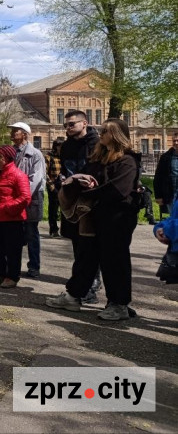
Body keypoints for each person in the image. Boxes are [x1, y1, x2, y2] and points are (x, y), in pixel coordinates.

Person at [46, 118, 140, 321]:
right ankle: (73, 296)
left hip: (117, 218)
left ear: (117, 135)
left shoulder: (127, 160)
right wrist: (77, 181)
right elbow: (87, 178)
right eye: (102, 130)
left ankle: (118, 304)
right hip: (93, 216)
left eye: (106, 131)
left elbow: (118, 190)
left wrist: (91, 192)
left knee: (114, 260)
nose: (102, 133)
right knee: (85, 256)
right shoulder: (98, 157)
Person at [58, 110, 102, 303]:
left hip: (91, 202)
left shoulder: (96, 144)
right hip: (72, 201)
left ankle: (91, 286)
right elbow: (63, 169)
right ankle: (81, 285)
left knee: (90, 246)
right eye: (65, 125)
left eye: (71, 124)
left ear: (85, 123)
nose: (67, 128)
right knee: (77, 244)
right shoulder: (67, 146)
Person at [0, 145, 31, 288]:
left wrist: (8, 208)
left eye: (0, 156)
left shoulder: (18, 175)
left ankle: (12, 276)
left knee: (12, 249)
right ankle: (0, 272)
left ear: (9, 159)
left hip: (12, 219)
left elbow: (25, 197)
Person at [8, 121, 46, 278]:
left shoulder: (36, 154)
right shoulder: (11, 153)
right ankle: (11, 266)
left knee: (31, 234)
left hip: (30, 200)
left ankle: (34, 266)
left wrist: (21, 196)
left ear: (25, 134)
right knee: (13, 234)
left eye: (15, 131)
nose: (12, 134)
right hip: (14, 200)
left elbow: (35, 180)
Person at [153, 132, 178, 221]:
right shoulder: (166, 157)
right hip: (171, 194)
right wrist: (158, 196)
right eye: (174, 141)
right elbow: (158, 177)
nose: (176, 143)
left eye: (177, 140)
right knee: (174, 219)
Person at [45, 138, 66, 237]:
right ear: (56, 146)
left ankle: (65, 230)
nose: (62, 149)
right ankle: (53, 229)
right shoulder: (49, 157)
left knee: (65, 209)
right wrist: (51, 186)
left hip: (64, 185)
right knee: (53, 209)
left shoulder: (65, 157)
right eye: (60, 147)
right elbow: (45, 173)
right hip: (53, 185)